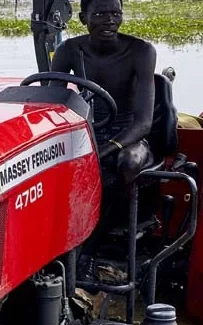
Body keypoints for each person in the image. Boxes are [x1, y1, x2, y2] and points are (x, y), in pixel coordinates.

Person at [49, 0, 157, 190]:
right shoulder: (68, 50)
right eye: (100, 15)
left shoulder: (141, 51)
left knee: (129, 162)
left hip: (128, 137)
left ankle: (120, 217)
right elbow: (50, 106)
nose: (109, 21)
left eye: (116, 14)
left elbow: (143, 124)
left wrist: (105, 149)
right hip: (88, 131)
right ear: (83, 18)